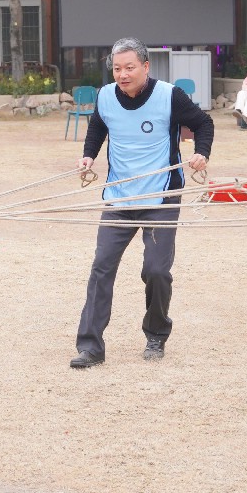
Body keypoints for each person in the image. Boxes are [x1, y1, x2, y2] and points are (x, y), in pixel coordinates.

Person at [71, 37, 213, 368]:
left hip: (161, 197)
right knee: (101, 266)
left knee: (156, 271)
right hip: (119, 197)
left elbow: (203, 123)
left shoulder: (169, 96)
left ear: (145, 67)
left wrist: (201, 153)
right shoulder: (105, 96)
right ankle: (90, 347)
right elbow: (98, 127)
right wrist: (88, 156)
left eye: (129, 67)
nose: (122, 74)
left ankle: (156, 334)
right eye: (117, 68)